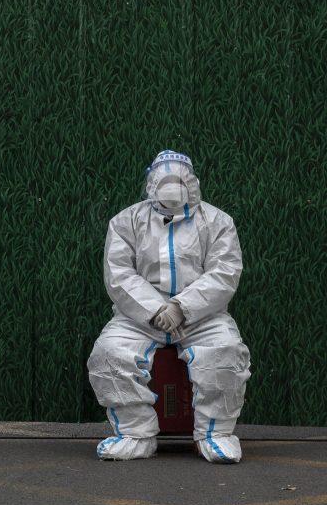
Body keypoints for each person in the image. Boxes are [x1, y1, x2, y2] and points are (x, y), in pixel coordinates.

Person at [87, 150, 250, 464]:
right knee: (109, 355)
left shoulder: (218, 222)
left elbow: (225, 272)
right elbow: (118, 273)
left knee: (226, 353)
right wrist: (154, 309)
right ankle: (135, 434)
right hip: (137, 317)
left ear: (193, 183)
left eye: (180, 179)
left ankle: (215, 433)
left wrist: (182, 306)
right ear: (151, 183)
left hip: (204, 317)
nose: (172, 185)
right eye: (164, 179)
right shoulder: (125, 221)